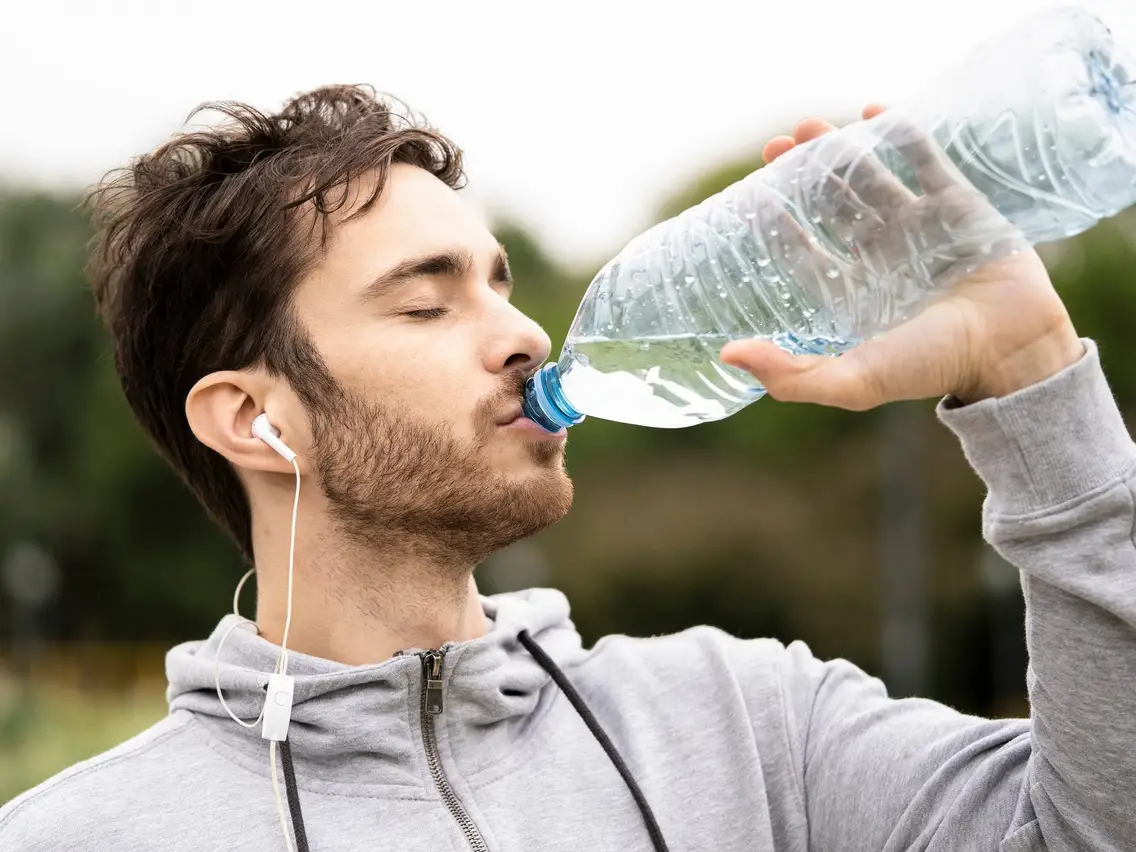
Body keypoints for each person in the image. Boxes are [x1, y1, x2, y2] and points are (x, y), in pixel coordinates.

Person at [1, 84, 1132, 852]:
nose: (524, 333)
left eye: (500, 282)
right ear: (254, 419)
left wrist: (1028, 374)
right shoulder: (87, 835)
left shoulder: (746, 726)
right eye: (427, 300)